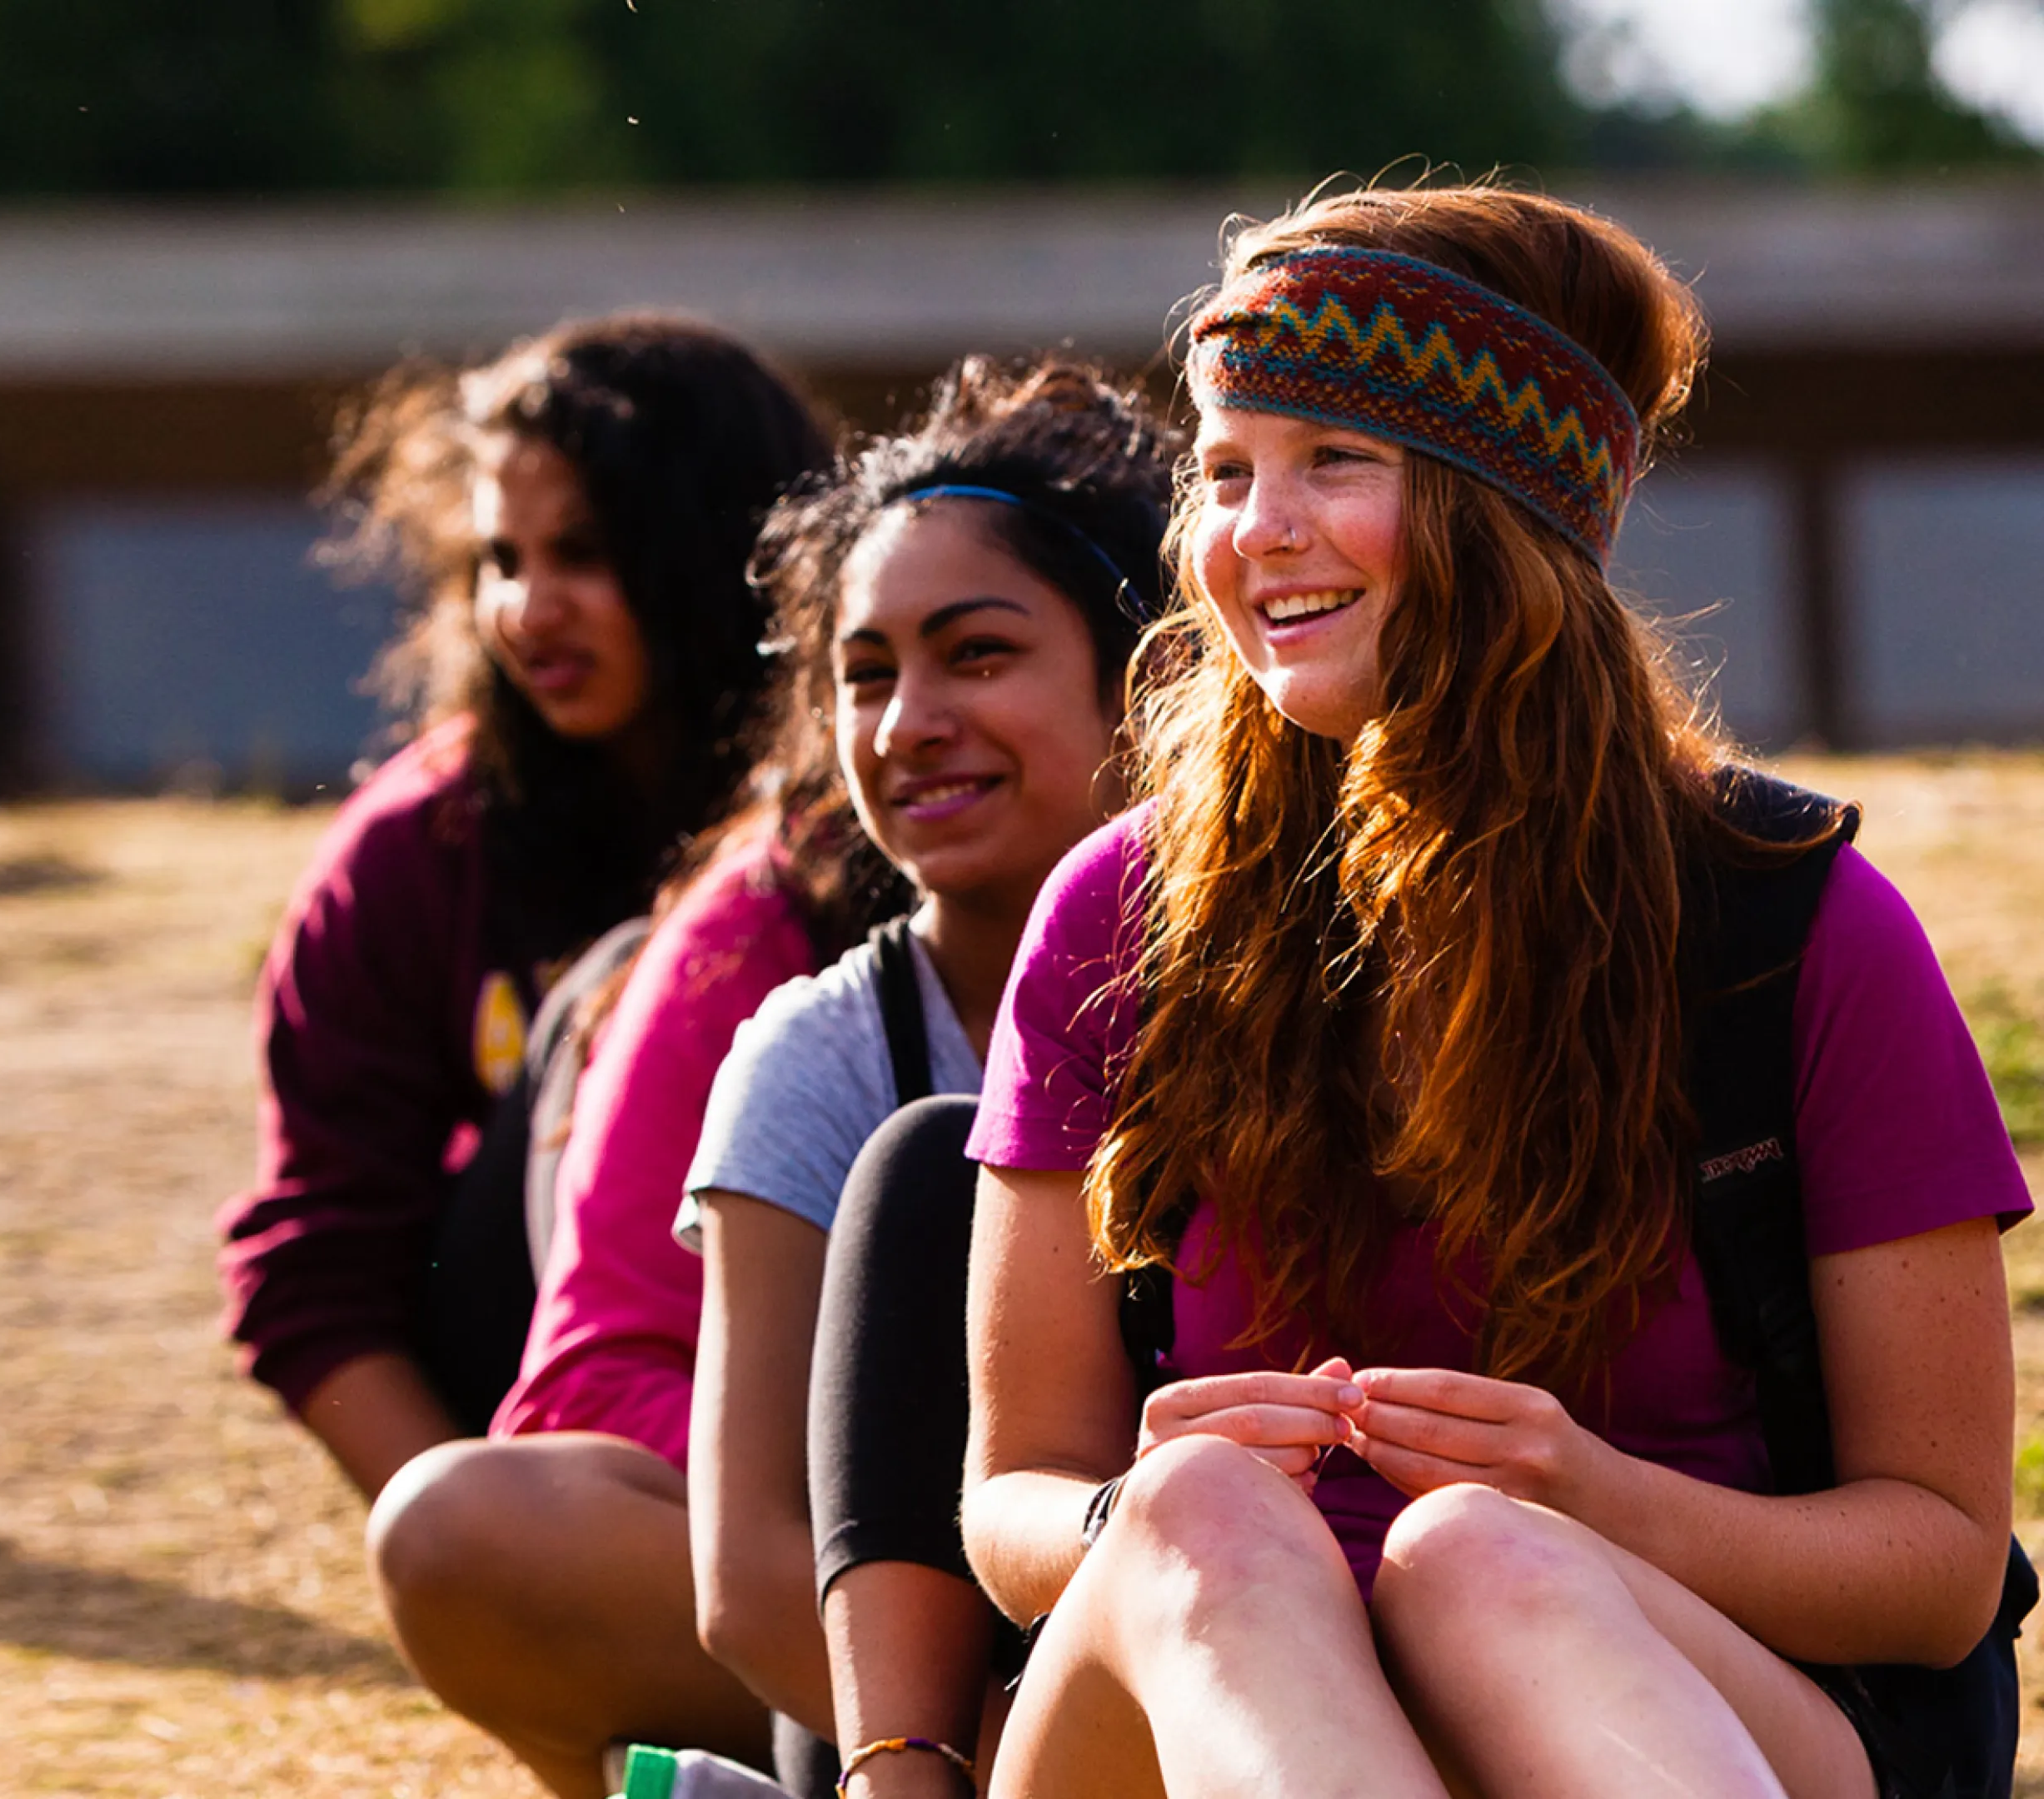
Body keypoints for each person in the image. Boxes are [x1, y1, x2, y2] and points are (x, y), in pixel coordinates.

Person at [957, 181, 2028, 1799]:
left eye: (1335, 459)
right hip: (1211, 1689)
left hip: (1685, 1698)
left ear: (1501, 506)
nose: (1258, 532)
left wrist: (1591, 1500)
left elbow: (1941, 1565)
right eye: (1228, 470)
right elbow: (1013, 1498)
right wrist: (1130, 1500)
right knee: (1198, 1510)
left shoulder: (1788, 926)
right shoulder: (1121, 915)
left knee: (1484, 1557)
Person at [366, 359, 1171, 1799]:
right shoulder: (821, 1042)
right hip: (900, 1691)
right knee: (458, 1522)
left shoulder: (1296, 994)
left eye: (977, 655)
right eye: (866, 674)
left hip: (1212, 1612)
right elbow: (745, 1578)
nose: (908, 722)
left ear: (1155, 677)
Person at [216, 314, 830, 1507]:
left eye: (588, 554)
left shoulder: (870, 811)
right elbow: (316, 1273)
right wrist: (473, 1540)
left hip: (828, 1406)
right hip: (568, 1449)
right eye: (503, 561)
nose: (531, 610)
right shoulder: (414, 851)